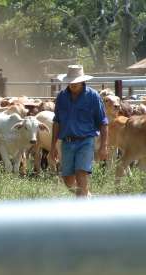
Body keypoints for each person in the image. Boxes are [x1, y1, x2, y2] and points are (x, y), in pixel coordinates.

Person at [49, 65, 108, 197]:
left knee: (81, 173)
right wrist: (53, 146)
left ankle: (82, 206)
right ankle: (86, 196)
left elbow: (103, 122)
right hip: (67, 142)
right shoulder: (62, 97)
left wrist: (103, 146)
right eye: (71, 81)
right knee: (68, 179)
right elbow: (57, 122)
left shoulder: (93, 96)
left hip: (85, 141)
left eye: (76, 81)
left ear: (82, 81)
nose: (73, 84)